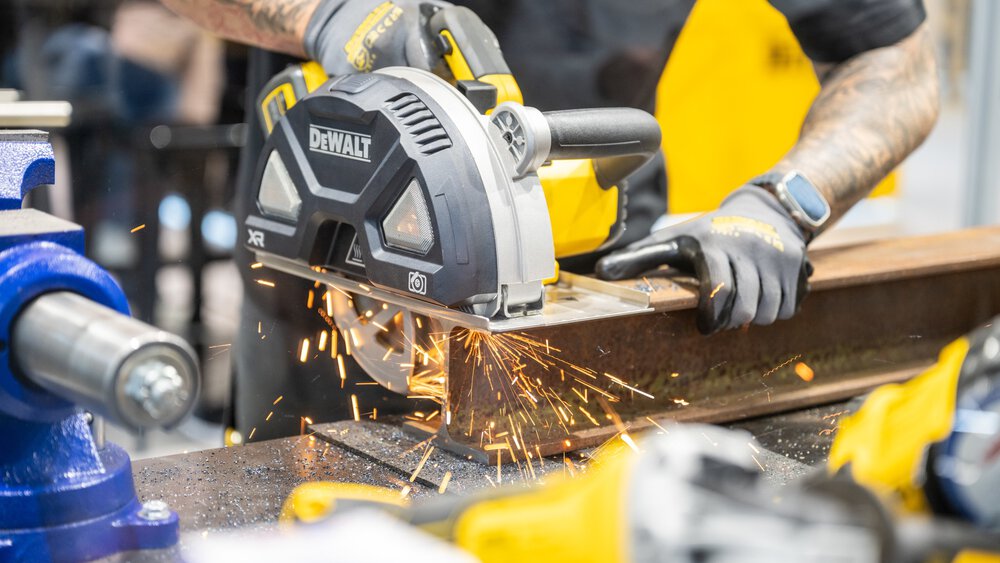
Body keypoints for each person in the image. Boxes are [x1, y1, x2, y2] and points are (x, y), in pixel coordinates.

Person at [159, 0, 940, 440]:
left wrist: (783, 202)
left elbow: (897, 69)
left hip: (582, 303)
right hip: (321, 299)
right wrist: (323, 14)